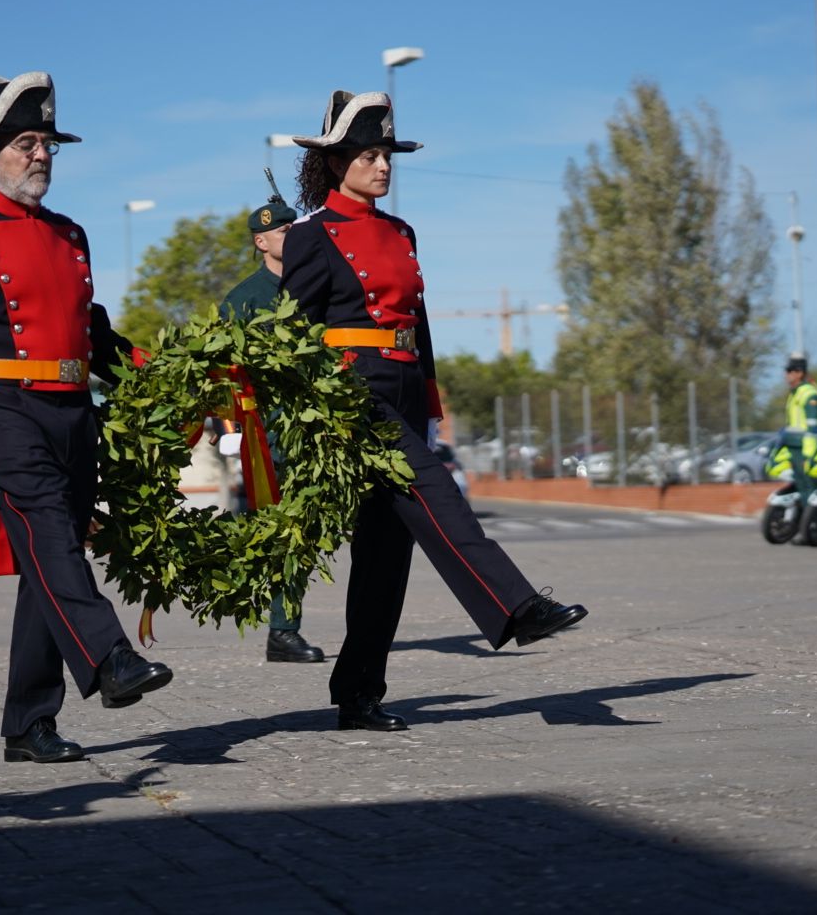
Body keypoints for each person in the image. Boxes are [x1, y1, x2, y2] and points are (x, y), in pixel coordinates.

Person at [279, 89, 587, 733]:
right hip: (351, 391)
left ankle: (358, 694)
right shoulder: (312, 235)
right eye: (369, 156)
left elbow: (416, 323)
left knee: (385, 552)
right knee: (439, 494)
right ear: (337, 163)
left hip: (403, 385)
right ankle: (515, 604)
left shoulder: (401, 232)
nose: (384, 167)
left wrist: (431, 396)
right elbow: (292, 334)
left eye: (388, 155)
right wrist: (311, 414)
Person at [0, 70, 171, 764]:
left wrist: (162, 375)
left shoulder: (70, 234)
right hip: (7, 413)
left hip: (73, 413)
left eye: (47, 143)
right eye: (26, 142)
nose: (41, 155)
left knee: (46, 564)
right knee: (54, 539)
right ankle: (110, 659)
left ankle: (28, 723)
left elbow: (92, 336)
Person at [220, 190, 326, 664]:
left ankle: (285, 629)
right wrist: (230, 428)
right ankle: (276, 624)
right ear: (261, 241)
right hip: (267, 434)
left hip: (317, 430)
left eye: (293, 228)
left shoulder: (319, 286)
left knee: (302, 531)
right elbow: (223, 371)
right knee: (274, 532)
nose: (292, 235)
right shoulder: (243, 299)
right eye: (283, 230)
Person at [781, 356, 817, 504]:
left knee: (809, 487)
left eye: (790, 371)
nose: (786, 374)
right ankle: (807, 520)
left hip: (804, 449)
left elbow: (813, 427)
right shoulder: (794, 393)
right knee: (802, 486)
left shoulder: (809, 394)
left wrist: (809, 455)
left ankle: (812, 521)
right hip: (794, 446)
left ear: (799, 373)